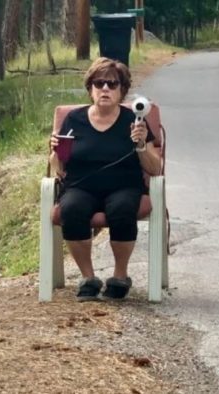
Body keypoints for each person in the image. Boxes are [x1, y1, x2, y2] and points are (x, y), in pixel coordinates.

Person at [49, 57, 162, 301]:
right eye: (99, 83)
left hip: (124, 186)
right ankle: (89, 278)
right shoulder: (74, 120)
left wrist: (141, 144)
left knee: (122, 209)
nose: (105, 89)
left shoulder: (134, 121)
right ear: (90, 88)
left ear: (122, 90)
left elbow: (155, 168)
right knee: (71, 208)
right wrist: (56, 151)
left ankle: (120, 276)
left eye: (112, 84)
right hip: (80, 186)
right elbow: (58, 168)